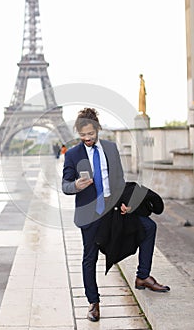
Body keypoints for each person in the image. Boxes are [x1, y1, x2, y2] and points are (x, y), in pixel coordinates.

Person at [62, 107, 169, 323]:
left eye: (90, 134)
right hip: (90, 214)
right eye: (82, 135)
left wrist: (125, 204)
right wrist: (76, 185)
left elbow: (119, 180)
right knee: (89, 257)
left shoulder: (110, 148)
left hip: (113, 209)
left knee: (149, 227)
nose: (87, 138)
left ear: (98, 129)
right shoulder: (73, 154)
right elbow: (65, 185)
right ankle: (94, 302)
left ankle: (143, 276)